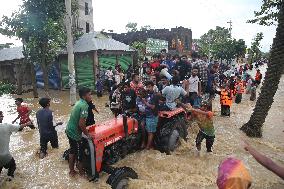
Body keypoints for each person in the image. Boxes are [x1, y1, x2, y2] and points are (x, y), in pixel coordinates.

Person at [65, 87, 92, 177]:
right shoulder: (84, 106)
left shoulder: (79, 102)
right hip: (75, 133)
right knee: (79, 154)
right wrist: (87, 134)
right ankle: (82, 174)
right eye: (89, 94)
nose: (91, 96)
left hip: (69, 130)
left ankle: (72, 171)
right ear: (84, 96)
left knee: (72, 151)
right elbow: (81, 124)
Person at [0, 111, 30, 180]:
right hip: (4, 156)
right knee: (12, 166)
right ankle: (9, 180)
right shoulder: (6, 126)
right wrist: (27, 123)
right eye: (1, 116)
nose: (3, 117)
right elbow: (19, 127)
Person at [142, 81, 159, 149]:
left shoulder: (154, 95)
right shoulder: (147, 94)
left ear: (153, 87)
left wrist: (145, 102)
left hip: (152, 116)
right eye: (147, 87)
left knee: (150, 132)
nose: (148, 88)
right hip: (147, 115)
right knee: (147, 131)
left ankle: (148, 147)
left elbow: (153, 107)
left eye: (149, 87)